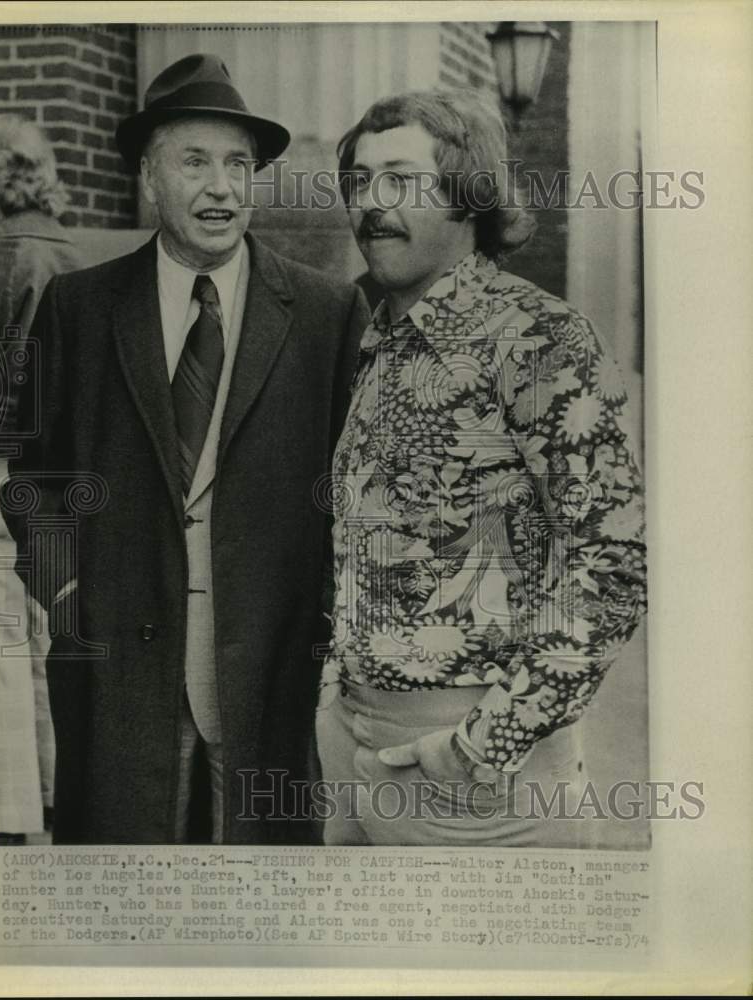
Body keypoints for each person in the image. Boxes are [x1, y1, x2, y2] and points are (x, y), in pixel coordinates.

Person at [1, 54, 369, 845]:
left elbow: (354, 491)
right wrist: (68, 598)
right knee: (122, 911)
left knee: (261, 911)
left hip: (271, 674)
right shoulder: (79, 309)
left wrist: (327, 621)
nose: (223, 187)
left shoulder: (326, 314)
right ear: (149, 176)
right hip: (118, 679)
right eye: (196, 160)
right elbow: (35, 481)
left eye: (240, 164)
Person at [316, 89, 647, 847]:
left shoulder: (539, 338)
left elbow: (612, 566)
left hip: (479, 786)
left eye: (401, 178)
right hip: (358, 749)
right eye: (361, 182)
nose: (372, 203)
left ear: (470, 197)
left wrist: (478, 746)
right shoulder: (383, 340)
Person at [0, 113, 83, 843]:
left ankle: (19, 809)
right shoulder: (77, 256)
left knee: (3, 644)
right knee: (53, 633)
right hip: (71, 474)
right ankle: (58, 792)